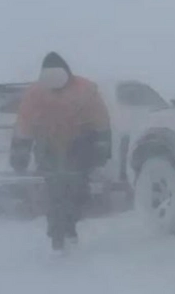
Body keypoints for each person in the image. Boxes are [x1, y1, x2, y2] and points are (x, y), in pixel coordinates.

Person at [10, 52, 112, 251]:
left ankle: (70, 225)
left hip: (79, 146)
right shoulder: (35, 94)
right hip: (48, 147)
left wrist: (102, 146)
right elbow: (24, 124)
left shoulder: (85, 90)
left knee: (76, 190)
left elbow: (100, 119)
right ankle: (57, 232)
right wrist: (20, 150)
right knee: (54, 191)